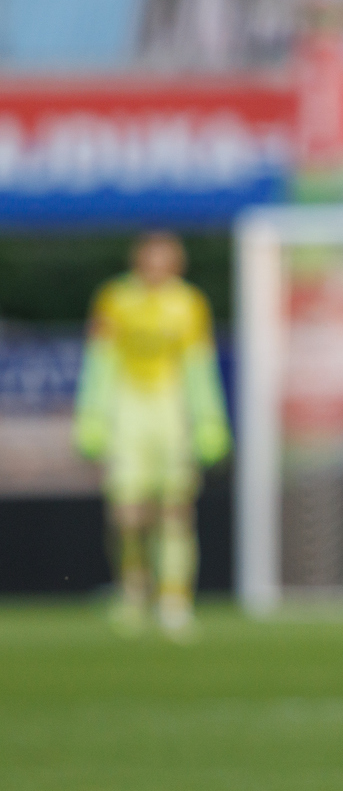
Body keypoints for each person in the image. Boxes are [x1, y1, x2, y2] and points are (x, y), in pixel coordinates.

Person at [74, 232, 231, 637]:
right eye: (150, 258)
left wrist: (210, 419)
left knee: (176, 508)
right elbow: (100, 361)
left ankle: (174, 597)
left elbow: (198, 367)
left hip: (171, 412)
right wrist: (91, 415)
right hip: (128, 412)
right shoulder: (115, 299)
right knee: (127, 512)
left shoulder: (189, 304)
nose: (157, 267)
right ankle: (133, 588)